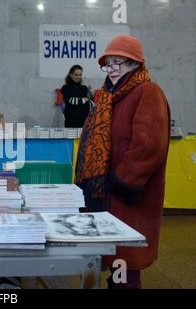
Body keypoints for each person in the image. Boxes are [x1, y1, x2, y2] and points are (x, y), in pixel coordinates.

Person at [75, 35, 171, 289]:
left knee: (124, 266)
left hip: (126, 198)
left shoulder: (148, 92)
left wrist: (120, 182)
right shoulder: (107, 97)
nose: (113, 69)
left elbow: (148, 146)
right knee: (107, 258)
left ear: (137, 64)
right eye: (109, 63)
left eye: (122, 63)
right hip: (102, 195)